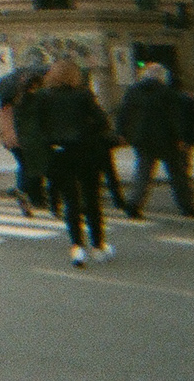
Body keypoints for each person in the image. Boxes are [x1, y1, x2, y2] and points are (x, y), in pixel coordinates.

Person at [22, 59, 114, 265]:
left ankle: (77, 247)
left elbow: (36, 126)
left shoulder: (42, 97)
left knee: (70, 200)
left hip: (59, 154)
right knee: (92, 199)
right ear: (74, 75)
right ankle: (98, 246)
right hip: (85, 152)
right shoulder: (83, 95)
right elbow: (102, 121)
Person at [118, 63, 194, 219]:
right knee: (177, 174)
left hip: (142, 138)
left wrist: (122, 133)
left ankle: (134, 204)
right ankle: (187, 206)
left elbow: (124, 113)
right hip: (167, 138)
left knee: (143, 173)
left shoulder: (134, 91)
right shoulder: (168, 93)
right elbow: (175, 117)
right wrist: (181, 137)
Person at [0, 65, 48, 217]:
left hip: (13, 138)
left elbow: (5, 117)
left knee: (24, 165)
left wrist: (8, 134)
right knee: (31, 166)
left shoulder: (9, 99)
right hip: (26, 137)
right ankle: (29, 194)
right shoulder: (29, 98)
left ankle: (27, 194)